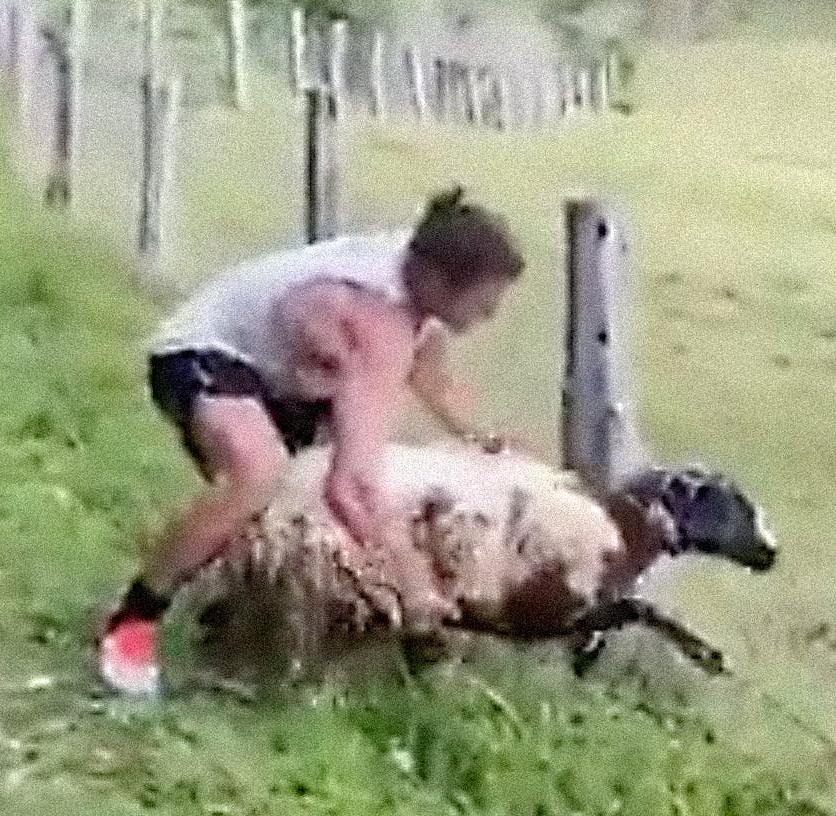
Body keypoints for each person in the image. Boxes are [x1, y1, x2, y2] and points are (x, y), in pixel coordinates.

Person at [98, 186, 527, 696]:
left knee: (293, 502)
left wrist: (489, 443)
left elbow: (429, 374)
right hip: (201, 352)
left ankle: (235, 621)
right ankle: (133, 622)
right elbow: (352, 487)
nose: (492, 316)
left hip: (279, 376)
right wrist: (414, 587)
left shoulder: (415, 272)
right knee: (259, 475)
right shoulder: (375, 321)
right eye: (484, 302)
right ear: (439, 280)